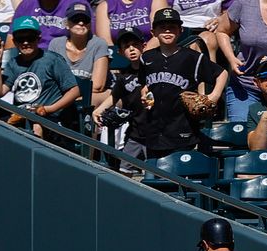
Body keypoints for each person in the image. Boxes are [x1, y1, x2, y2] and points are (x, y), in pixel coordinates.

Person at [138, 8, 228, 158]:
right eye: (162, 27)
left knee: (178, 175)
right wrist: (145, 95)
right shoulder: (146, 58)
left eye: (172, 27)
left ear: (180, 30)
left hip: (182, 129)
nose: (167, 31)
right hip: (154, 130)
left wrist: (213, 96)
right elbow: (144, 84)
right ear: (153, 32)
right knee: (152, 176)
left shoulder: (192, 58)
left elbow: (222, 73)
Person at [0, 16, 81, 139]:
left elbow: (74, 90)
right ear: (15, 41)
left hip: (49, 118)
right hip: (20, 116)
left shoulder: (52, 60)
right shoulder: (13, 63)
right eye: (21, 39)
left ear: (38, 39)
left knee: (36, 127)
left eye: (30, 38)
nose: (26, 42)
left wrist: (49, 109)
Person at [92, 27, 149, 172]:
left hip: (154, 132)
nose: (131, 49)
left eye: (135, 45)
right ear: (120, 52)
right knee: (124, 169)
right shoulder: (124, 75)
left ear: (144, 46)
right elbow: (114, 96)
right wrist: (99, 109)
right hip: (135, 131)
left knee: (153, 172)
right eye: (126, 46)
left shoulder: (153, 69)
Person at [49, 3, 110, 106]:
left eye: (85, 20)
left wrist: (70, 96)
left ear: (90, 24)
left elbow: (97, 86)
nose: (81, 23)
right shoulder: (56, 44)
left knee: (91, 100)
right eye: (76, 19)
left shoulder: (99, 44)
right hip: (62, 96)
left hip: (87, 96)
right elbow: (52, 81)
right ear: (67, 24)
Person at [11, 0, 92, 49]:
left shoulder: (78, 4)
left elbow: (92, 37)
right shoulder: (26, 5)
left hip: (66, 56)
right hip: (33, 55)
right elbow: (11, 39)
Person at [94, 0, 166, 47]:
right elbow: (106, 43)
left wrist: (142, 54)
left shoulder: (155, 1)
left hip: (151, 55)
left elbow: (160, 34)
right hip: (119, 60)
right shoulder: (105, 6)